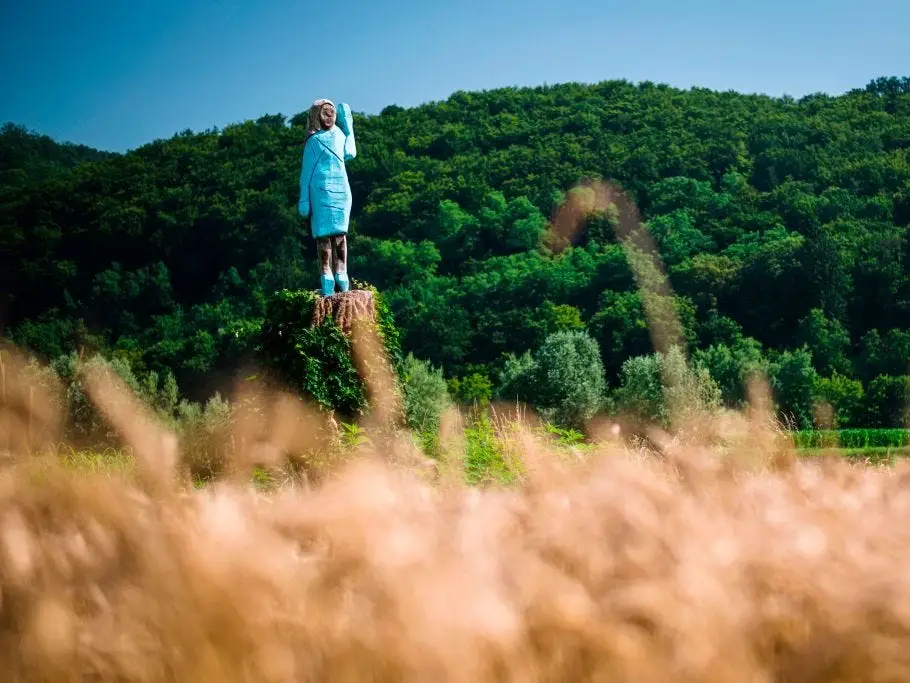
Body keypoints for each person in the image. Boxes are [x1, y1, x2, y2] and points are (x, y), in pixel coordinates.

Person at [298, 98, 357, 296]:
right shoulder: (313, 142)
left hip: (341, 188)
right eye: (325, 111)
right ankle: (326, 274)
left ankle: (342, 273)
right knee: (324, 237)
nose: (329, 115)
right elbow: (305, 174)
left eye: (331, 111)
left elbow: (350, 152)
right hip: (320, 191)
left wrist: (349, 128)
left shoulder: (340, 135)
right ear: (316, 115)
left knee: (340, 236)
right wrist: (304, 199)